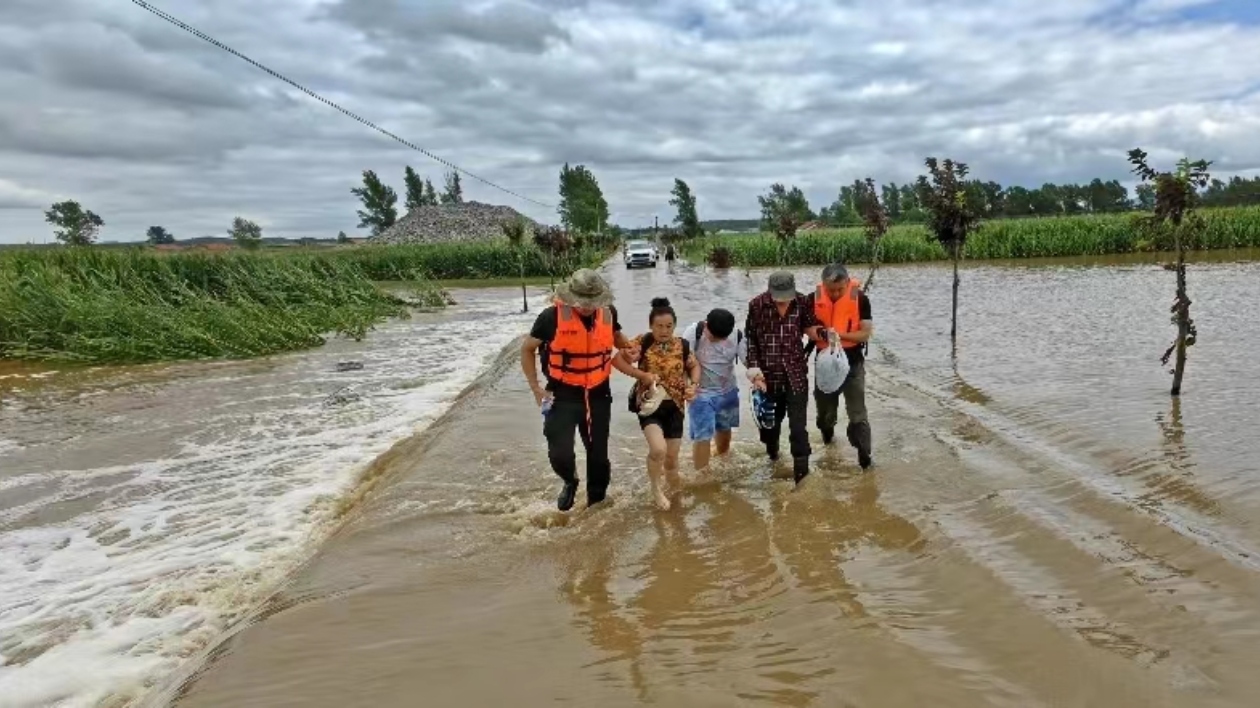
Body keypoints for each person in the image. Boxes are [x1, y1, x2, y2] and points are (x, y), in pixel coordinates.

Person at [520, 269, 651, 512]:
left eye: (594, 303)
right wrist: (536, 388)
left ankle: (595, 506)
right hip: (562, 393)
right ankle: (570, 481)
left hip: (598, 393)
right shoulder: (551, 317)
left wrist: (630, 349)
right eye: (584, 303)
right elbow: (527, 349)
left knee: (599, 457)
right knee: (559, 452)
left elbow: (617, 338)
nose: (589, 307)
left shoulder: (608, 314)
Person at [743, 271, 825, 484]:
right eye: (778, 298)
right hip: (767, 377)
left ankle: (802, 479)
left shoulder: (802, 302)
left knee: (798, 429)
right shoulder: (757, 305)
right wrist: (754, 372)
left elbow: (810, 327)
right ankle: (773, 457)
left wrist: (824, 333)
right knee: (771, 428)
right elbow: (751, 339)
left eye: (786, 297)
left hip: (795, 375)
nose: (782, 302)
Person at [618, 298, 700, 511]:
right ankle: (656, 489)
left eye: (669, 326)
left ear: (674, 325)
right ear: (651, 325)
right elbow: (617, 360)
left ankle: (675, 493)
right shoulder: (641, 342)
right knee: (658, 450)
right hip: (649, 404)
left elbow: (694, 366)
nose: (664, 331)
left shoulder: (681, 345)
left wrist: (693, 385)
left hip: (676, 406)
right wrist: (641, 374)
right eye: (659, 326)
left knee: (671, 460)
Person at [806, 264, 874, 469]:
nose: (835, 293)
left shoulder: (861, 299)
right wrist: (822, 333)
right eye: (830, 290)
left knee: (858, 414)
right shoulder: (812, 298)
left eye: (839, 289)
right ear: (823, 285)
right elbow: (807, 328)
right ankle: (828, 440)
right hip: (825, 366)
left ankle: (865, 458)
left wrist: (839, 335)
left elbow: (866, 332)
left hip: (852, 363)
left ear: (847, 283)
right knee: (825, 415)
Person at [680, 308, 747, 473]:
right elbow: (679, 362)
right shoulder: (693, 332)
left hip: (727, 392)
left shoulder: (737, 336)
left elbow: (749, 361)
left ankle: (722, 461)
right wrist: (686, 387)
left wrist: (758, 376)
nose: (716, 340)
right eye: (713, 336)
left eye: (721, 338)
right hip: (700, 393)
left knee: (724, 430)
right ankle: (702, 475)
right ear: (706, 325)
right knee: (703, 435)